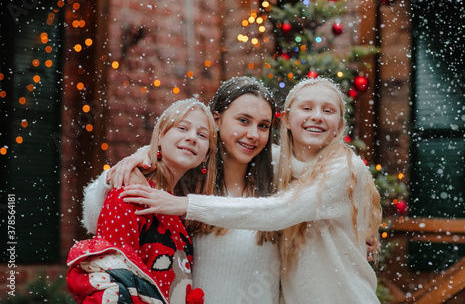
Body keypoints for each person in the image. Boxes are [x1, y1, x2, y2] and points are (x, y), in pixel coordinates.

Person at [120, 77, 383, 303]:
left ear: (339, 125)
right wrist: (144, 156)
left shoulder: (340, 170)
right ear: (288, 120)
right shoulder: (279, 168)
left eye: (328, 110)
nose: (254, 135)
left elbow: (283, 210)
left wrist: (186, 205)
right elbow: (181, 149)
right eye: (243, 121)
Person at [79, 77, 281, 303]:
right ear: (217, 120)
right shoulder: (184, 178)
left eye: (263, 125)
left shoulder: (280, 173)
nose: (254, 134)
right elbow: (99, 225)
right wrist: (116, 175)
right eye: (244, 120)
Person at [66, 99, 217, 304]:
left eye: (202, 135)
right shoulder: (131, 193)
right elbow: (115, 278)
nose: (192, 138)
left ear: (205, 156)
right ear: (160, 136)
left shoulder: (176, 205)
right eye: (182, 128)